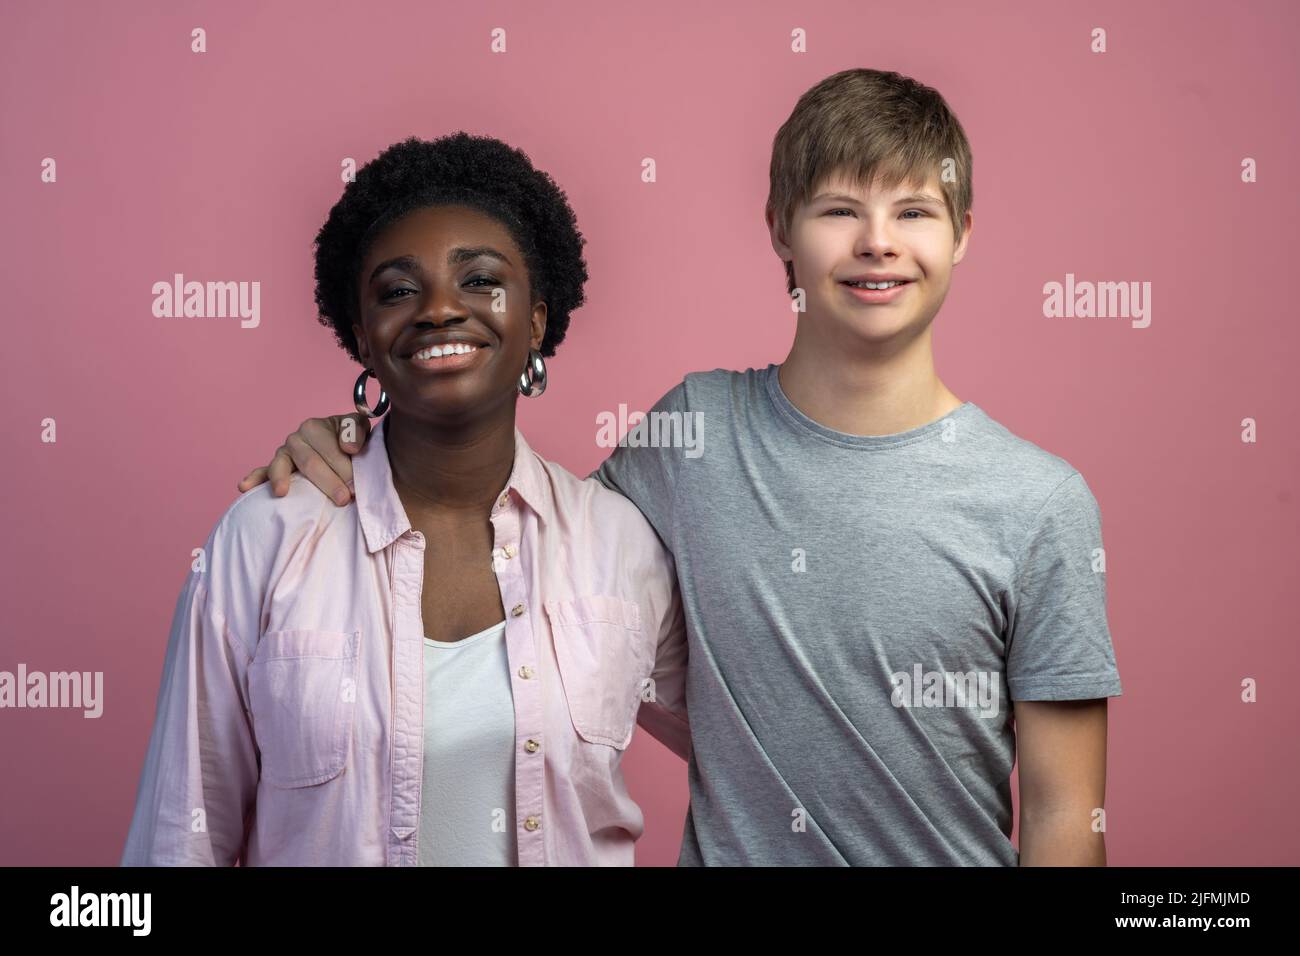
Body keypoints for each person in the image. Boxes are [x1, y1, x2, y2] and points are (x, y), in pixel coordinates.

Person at [239, 69, 1123, 866]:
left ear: (963, 233)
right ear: (780, 228)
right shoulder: (695, 433)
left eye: (914, 211)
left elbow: (1062, 817)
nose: (878, 243)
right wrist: (358, 436)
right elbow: (531, 540)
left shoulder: (1038, 503)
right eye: (840, 210)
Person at [121, 132, 689, 867]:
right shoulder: (265, 535)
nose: (440, 310)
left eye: (480, 280)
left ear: (537, 321)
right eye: (398, 290)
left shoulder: (619, 544)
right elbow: (180, 839)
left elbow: (761, 761)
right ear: (362, 337)